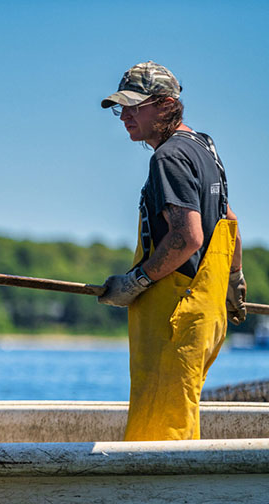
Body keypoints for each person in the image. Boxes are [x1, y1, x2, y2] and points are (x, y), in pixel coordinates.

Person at [97, 61, 246, 441]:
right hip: (204, 312)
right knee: (181, 415)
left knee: (162, 430)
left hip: (174, 315)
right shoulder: (204, 146)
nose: (125, 116)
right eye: (121, 107)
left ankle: (164, 503)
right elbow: (228, 219)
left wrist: (135, 281)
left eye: (134, 106)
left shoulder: (167, 157)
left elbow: (187, 238)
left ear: (165, 105)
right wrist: (232, 279)